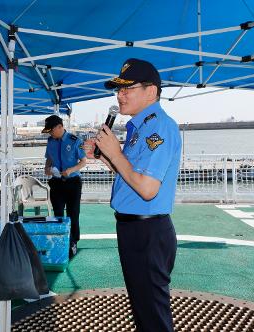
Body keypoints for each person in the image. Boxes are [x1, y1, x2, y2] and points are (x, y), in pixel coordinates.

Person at [93, 58, 181, 332]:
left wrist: (116, 153)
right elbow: (131, 175)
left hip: (148, 232)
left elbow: (147, 188)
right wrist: (107, 158)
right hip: (135, 229)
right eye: (118, 90)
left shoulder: (159, 127)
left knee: (153, 318)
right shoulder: (140, 128)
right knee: (144, 312)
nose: (120, 95)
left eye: (127, 88)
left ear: (151, 91)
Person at [42, 115, 87, 258]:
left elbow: (83, 161)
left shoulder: (75, 141)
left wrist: (70, 170)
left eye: (51, 130)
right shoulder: (50, 141)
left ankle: (73, 241)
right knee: (58, 213)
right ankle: (60, 239)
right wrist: (47, 167)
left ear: (60, 127)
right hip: (56, 182)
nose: (50, 133)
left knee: (73, 213)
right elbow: (49, 157)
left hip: (73, 182)